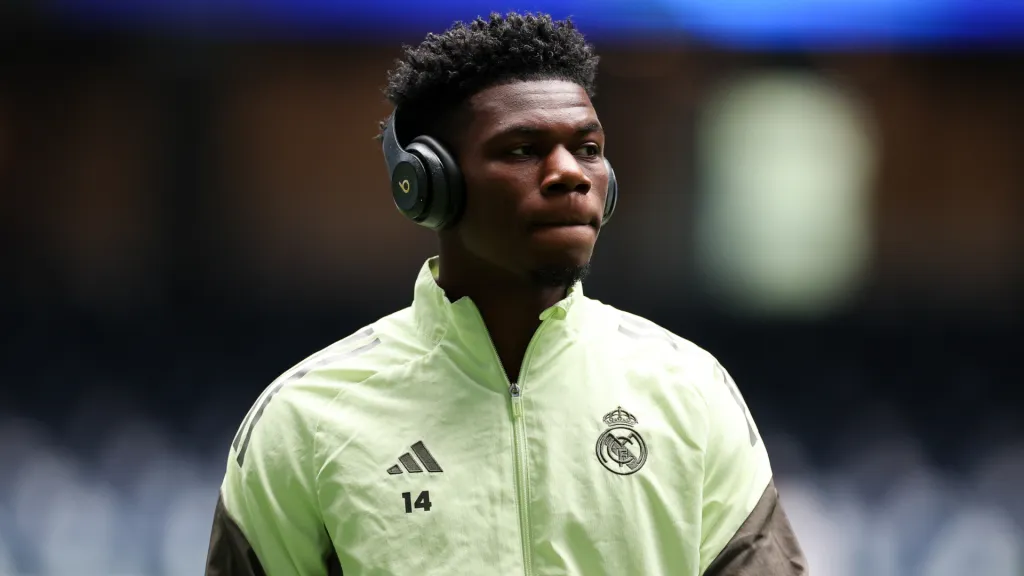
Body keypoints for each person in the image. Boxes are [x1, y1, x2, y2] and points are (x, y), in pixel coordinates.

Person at [205, 11, 807, 576]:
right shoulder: (305, 418)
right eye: (522, 149)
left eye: (588, 149)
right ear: (430, 185)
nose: (570, 172)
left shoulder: (691, 391)